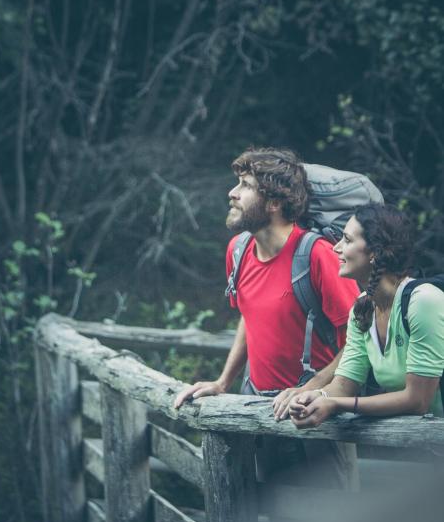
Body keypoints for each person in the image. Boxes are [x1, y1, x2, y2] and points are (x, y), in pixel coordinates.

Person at [174, 146, 360, 489]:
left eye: (245, 185)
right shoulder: (238, 250)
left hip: (317, 417)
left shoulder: (317, 256)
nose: (232, 193)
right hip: (259, 410)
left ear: (274, 202)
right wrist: (222, 382)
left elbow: (359, 342)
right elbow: (249, 316)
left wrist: (309, 389)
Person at [289, 203, 444, 429]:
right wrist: (315, 397)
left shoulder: (423, 301)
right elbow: (343, 384)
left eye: (348, 240)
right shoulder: (362, 309)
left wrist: (335, 405)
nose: (336, 248)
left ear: (374, 252)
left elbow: (417, 400)